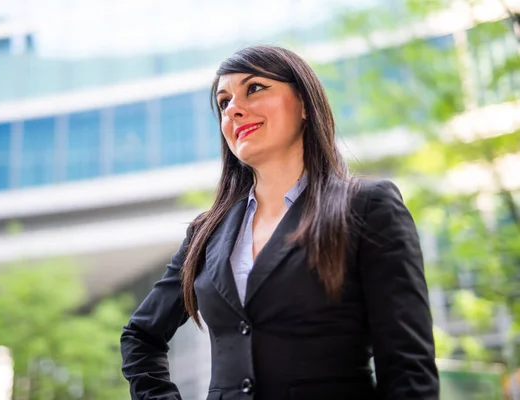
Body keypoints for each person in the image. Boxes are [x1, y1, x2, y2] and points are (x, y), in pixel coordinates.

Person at [120, 45, 439, 400]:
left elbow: (408, 368)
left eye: (254, 88)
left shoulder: (367, 207)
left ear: (303, 103)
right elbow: (140, 337)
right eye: (224, 102)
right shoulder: (206, 232)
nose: (234, 110)